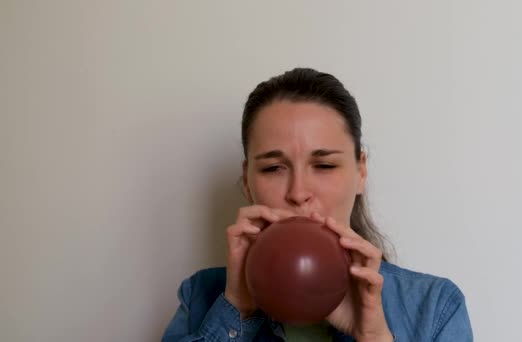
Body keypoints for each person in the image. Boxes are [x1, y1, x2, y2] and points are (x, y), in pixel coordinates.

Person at [161, 68, 474, 341]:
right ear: (247, 180)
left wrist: (373, 337)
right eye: (272, 168)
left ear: (360, 172)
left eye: (324, 165)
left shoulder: (435, 307)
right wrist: (237, 309)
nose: (298, 193)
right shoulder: (199, 296)